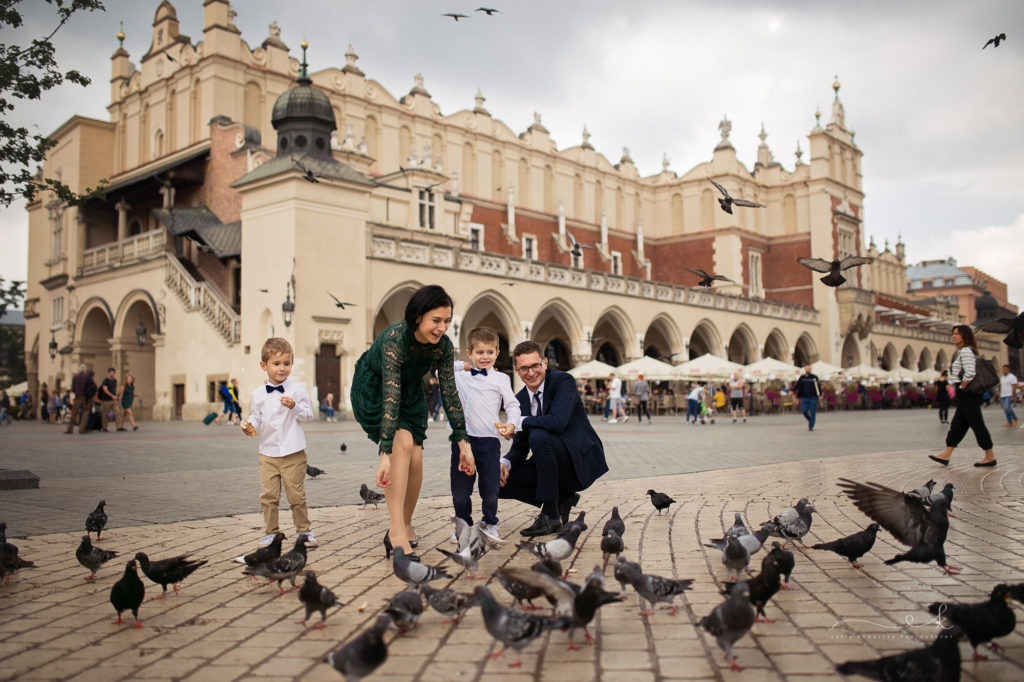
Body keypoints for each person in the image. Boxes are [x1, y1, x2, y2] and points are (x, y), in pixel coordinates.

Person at [351, 285, 473, 558]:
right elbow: (390, 398)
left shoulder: (442, 346)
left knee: (416, 459)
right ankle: (396, 532)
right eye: (436, 320)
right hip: (376, 392)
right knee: (402, 445)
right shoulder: (395, 338)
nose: (442, 328)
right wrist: (384, 452)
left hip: (410, 394)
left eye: (447, 321)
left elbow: (450, 394)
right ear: (418, 316)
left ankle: (404, 523)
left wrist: (463, 441)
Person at [498, 340, 608, 537]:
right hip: (549, 463)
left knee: (539, 436)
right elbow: (520, 448)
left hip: (578, 461)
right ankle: (563, 498)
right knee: (494, 482)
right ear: (516, 369)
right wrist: (504, 463)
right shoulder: (520, 400)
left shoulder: (563, 381)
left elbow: (557, 422)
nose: (531, 373)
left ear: (545, 363)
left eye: (535, 365)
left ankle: (550, 515)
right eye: (524, 368)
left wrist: (519, 422)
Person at [241, 337, 319, 547]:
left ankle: (304, 531)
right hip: (268, 453)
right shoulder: (258, 395)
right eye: (276, 364)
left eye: (287, 363)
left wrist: (294, 407)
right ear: (263, 366)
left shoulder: (298, 391)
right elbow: (256, 417)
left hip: (293, 452)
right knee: (268, 496)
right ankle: (271, 532)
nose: (282, 368)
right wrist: (250, 425)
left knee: (296, 496)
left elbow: (309, 416)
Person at [448, 326, 521, 541]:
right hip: (462, 441)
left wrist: (512, 424)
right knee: (460, 490)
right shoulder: (460, 375)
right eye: (480, 352)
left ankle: (490, 522)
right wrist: (462, 366)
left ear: (497, 353)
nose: (485, 357)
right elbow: (439, 372)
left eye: (490, 352)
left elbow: (513, 405)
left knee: (490, 488)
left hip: (489, 441)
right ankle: (463, 523)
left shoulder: (501, 379)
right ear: (469, 353)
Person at [929, 325, 996, 467]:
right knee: (957, 425)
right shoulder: (967, 351)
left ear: (965, 336)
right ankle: (946, 455)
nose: (954, 336)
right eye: (953, 333)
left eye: (957, 334)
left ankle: (989, 456)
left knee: (977, 425)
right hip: (967, 395)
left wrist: (961, 387)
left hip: (967, 394)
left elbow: (970, 372)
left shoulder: (965, 351)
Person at [795, 365, 822, 431]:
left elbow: (818, 387)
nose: (808, 369)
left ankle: (811, 426)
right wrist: (791, 390)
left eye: (809, 368)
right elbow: (797, 386)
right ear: (805, 369)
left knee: (812, 411)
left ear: (811, 369)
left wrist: (820, 395)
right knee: (804, 411)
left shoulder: (814, 377)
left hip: (813, 397)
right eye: (807, 368)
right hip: (804, 397)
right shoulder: (802, 378)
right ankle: (811, 420)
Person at [98, 367, 123, 432]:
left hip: (113, 400)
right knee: (105, 414)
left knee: (117, 412)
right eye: (110, 372)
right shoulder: (105, 380)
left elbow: (115, 389)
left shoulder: (115, 381)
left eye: (113, 372)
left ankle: (119, 426)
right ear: (108, 373)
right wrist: (112, 395)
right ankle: (104, 427)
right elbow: (105, 389)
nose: (112, 373)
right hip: (106, 400)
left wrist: (117, 396)